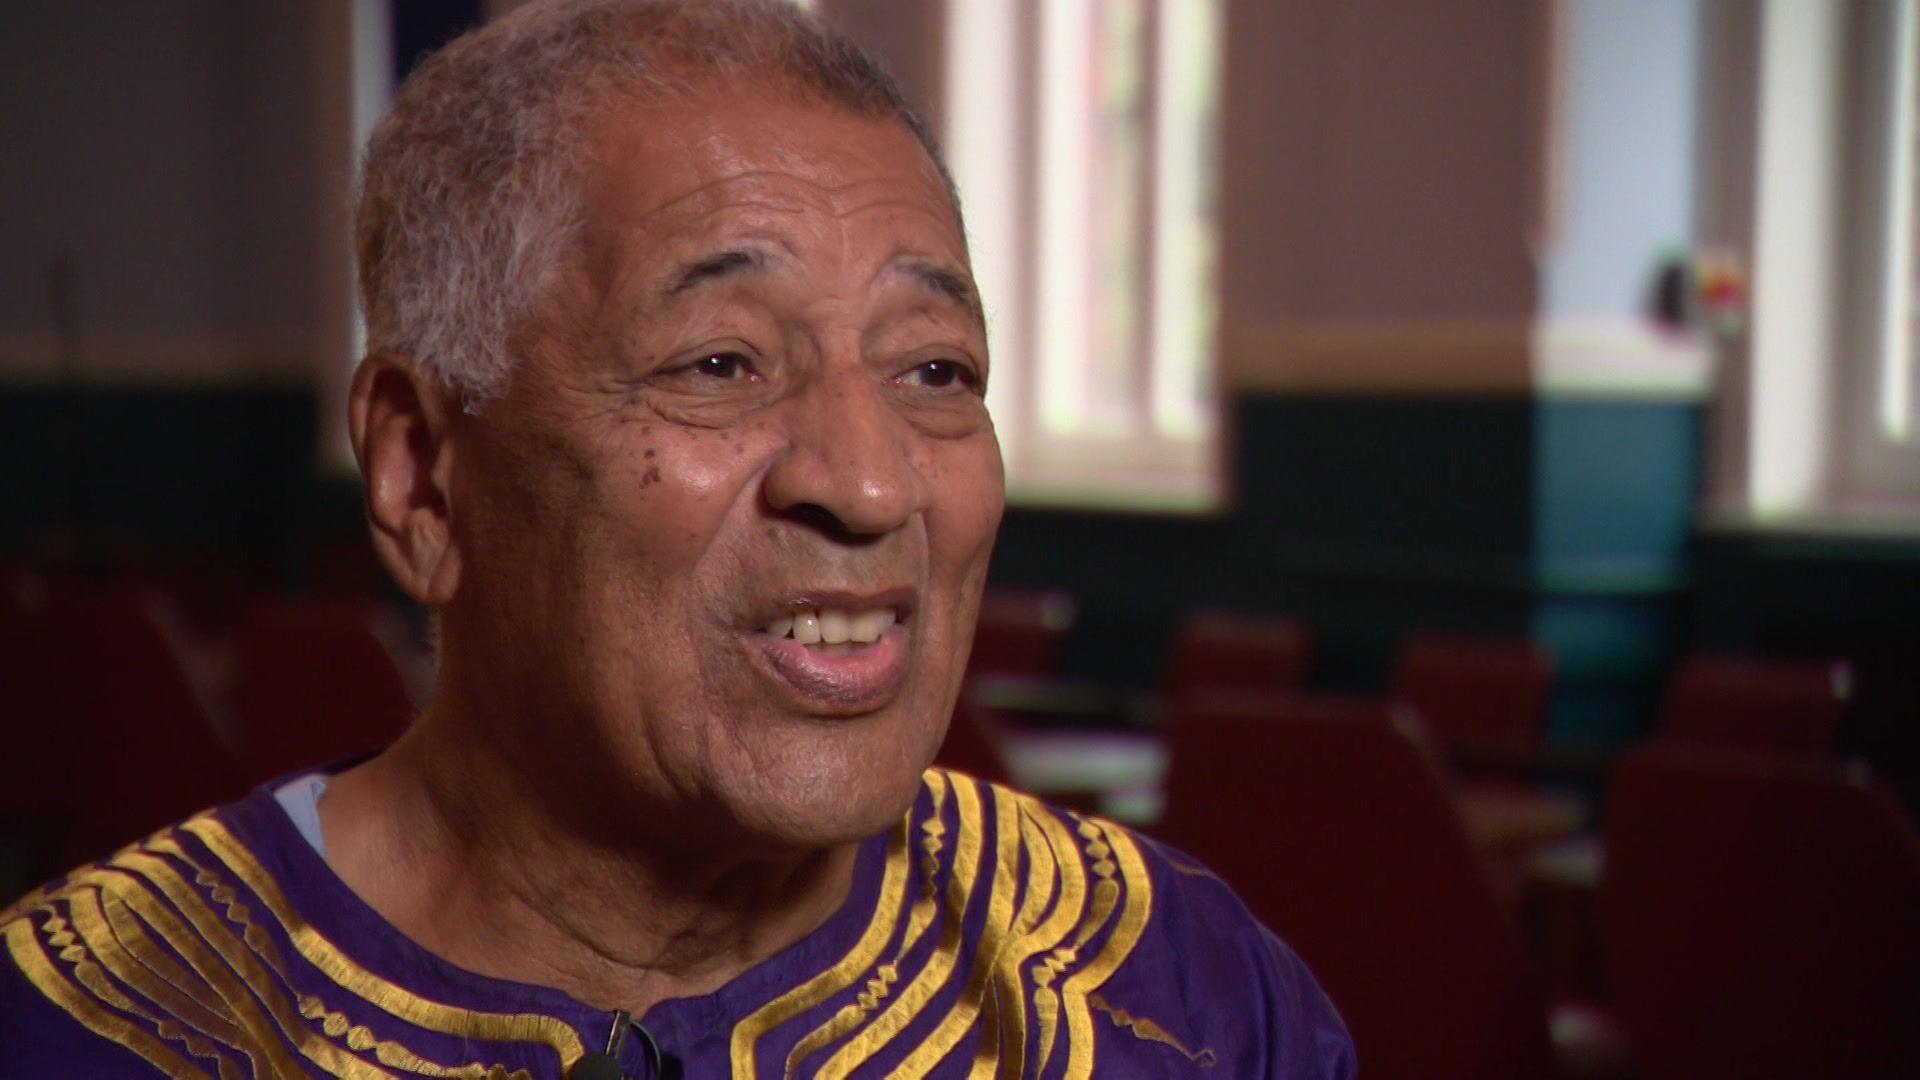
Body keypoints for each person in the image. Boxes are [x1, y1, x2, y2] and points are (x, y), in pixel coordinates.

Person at [0, 1, 1354, 1075]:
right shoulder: (95, 1030)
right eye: (720, 363)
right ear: (421, 476)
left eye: (936, 371)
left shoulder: (1176, 1003)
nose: (873, 486)